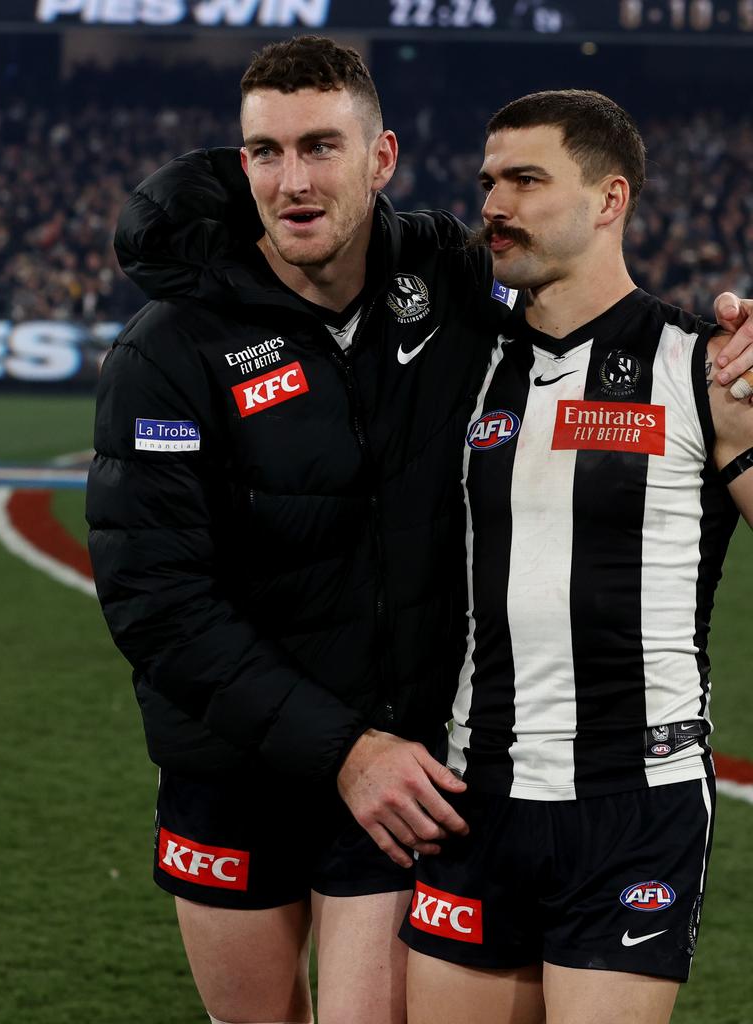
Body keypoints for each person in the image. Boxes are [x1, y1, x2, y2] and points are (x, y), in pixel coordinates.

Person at [87, 37, 753, 1024]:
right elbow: (156, 598)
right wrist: (339, 746)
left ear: (382, 158)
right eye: (265, 152)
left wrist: (724, 351)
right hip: (233, 762)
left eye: (321, 146)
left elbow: (587, 305)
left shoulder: (444, 285)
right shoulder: (169, 346)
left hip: (404, 767)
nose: (293, 179)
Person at [400, 89, 753, 1024]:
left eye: (526, 179)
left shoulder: (703, 368)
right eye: (487, 182)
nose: (495, 205)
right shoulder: (459, 365)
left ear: (609, 200)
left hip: (634, 800)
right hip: (474, 790)